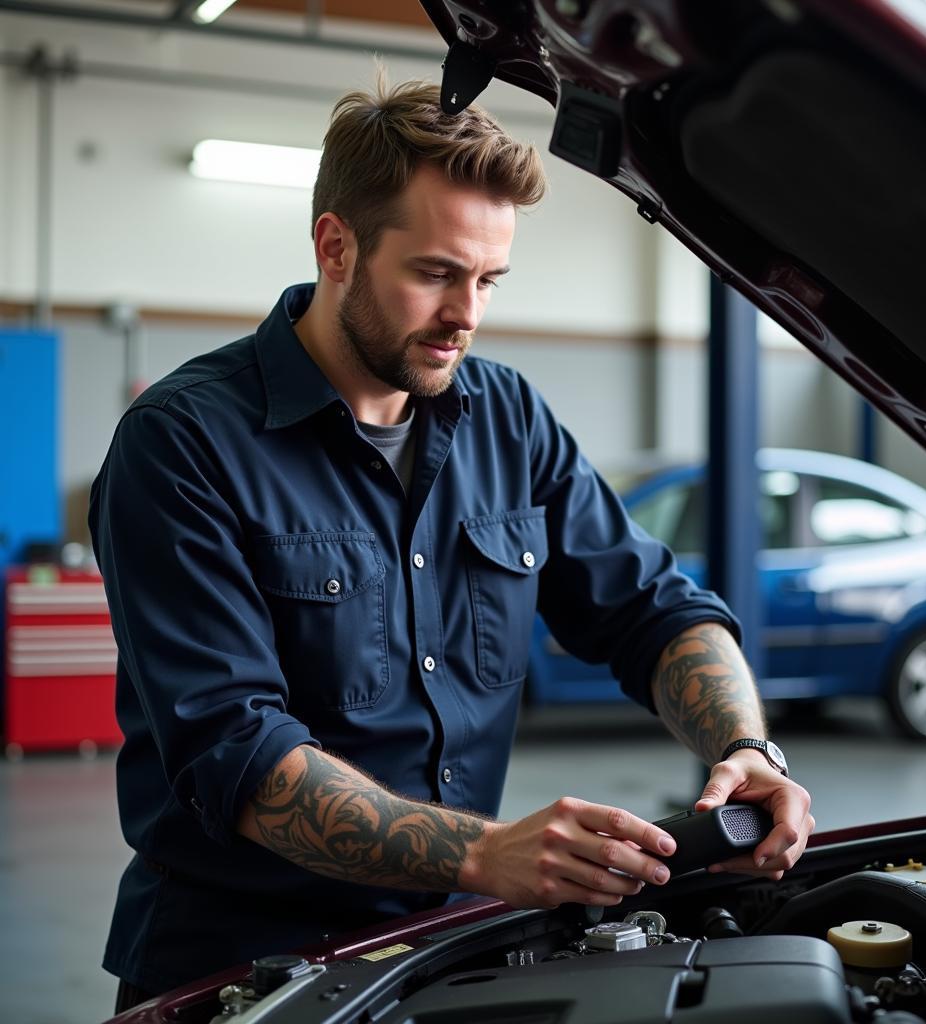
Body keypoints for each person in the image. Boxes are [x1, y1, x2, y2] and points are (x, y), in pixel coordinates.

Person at [89, 77, 813, 1012]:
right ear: (336, 246)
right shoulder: (183, 444)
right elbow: (238, 755)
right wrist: (484, 851)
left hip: (449, 950)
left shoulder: (508, 418)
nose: (467, 314)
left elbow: (653, 611)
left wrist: (746, 745)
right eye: (435, 273)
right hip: (237, 966)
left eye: (488, 280)